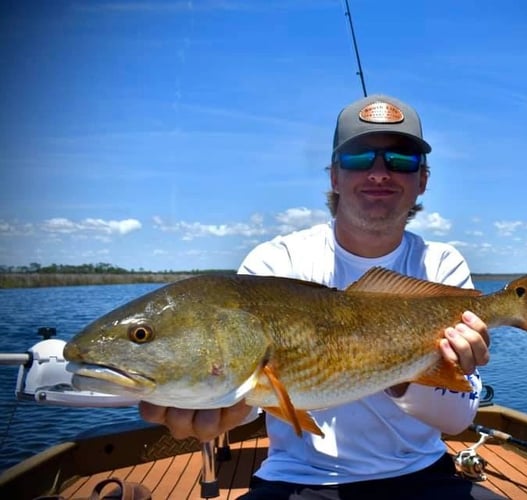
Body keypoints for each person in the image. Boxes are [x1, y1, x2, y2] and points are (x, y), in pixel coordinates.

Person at [140, 94, 502, 499]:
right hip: (300, 476)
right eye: (358, 158)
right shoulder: (276, 261)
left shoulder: (442, 264)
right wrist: (220, 406)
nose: (379, 172)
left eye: (401, 160)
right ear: (333, 176)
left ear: (423, 180)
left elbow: (456, 420)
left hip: (421, 472)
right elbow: (250, 402)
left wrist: (395, 368)